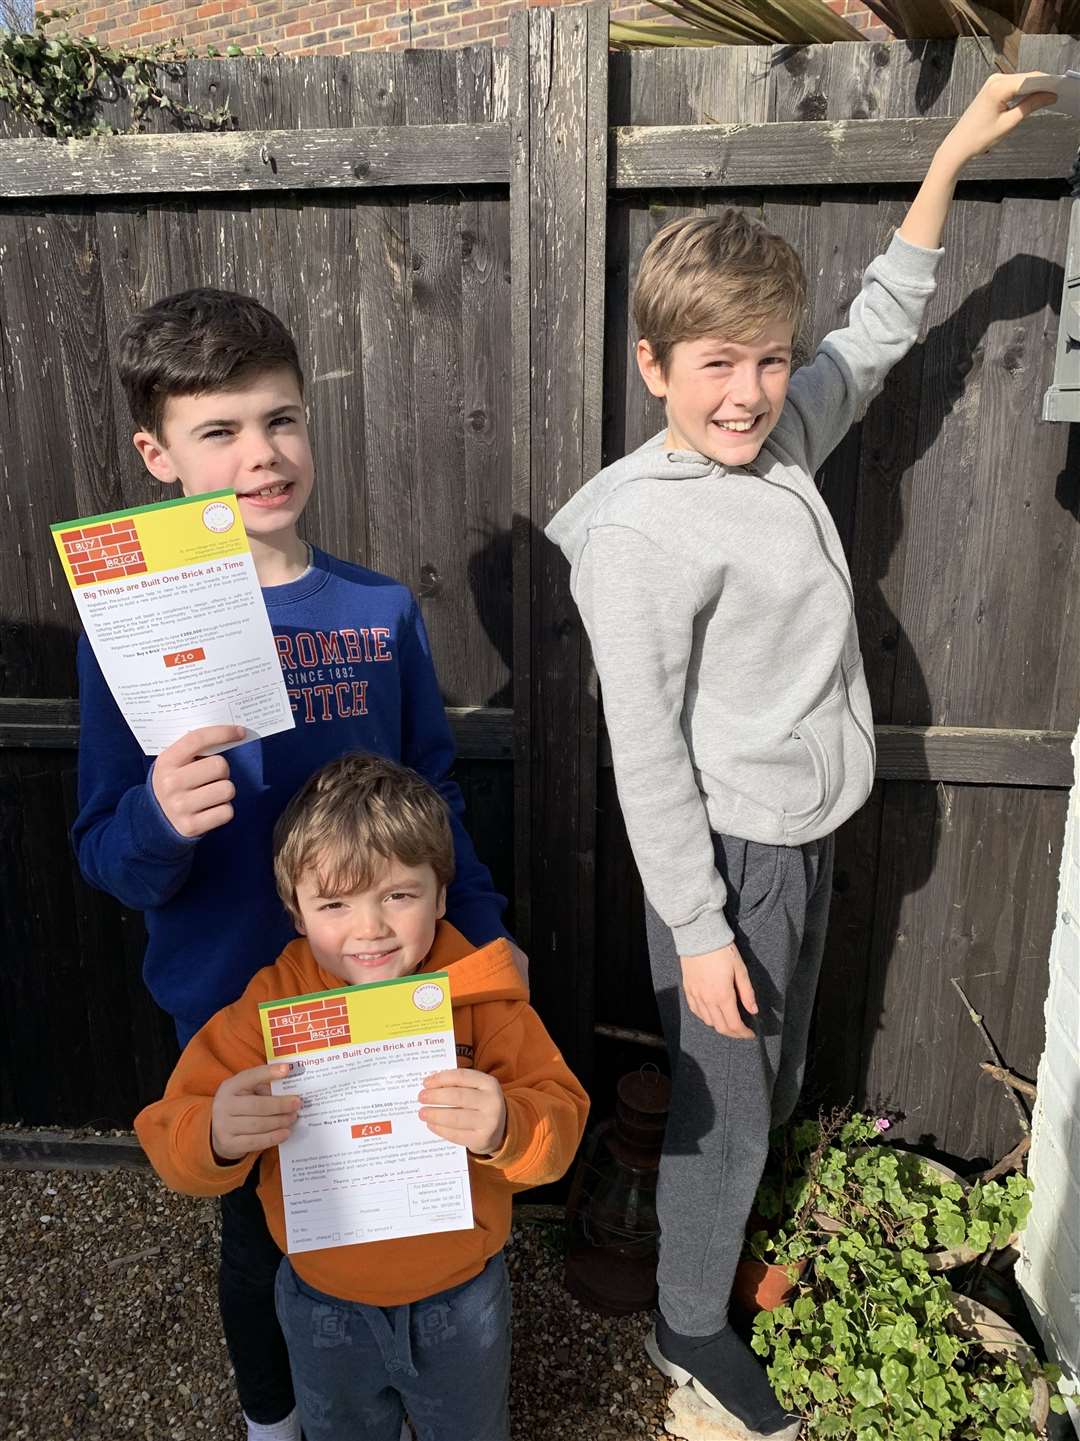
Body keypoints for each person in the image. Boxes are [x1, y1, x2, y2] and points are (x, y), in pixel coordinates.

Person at [545, 73, 1053, 1440]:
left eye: (768, 358)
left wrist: (947, 160)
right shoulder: (646, 534)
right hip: (727, 859)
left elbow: (875, 333)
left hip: (798, 841)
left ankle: (711, 1258)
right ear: (654, 366)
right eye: (718, 363)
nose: (754, 389)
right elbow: (642, 754)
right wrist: (699, 926)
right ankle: (689, 1321)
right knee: (723, 1105)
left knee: (758, 1087)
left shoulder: (778, 448)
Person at [72, 288, 520, 1441]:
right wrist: (159, 818)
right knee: (256, 1225)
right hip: (231, 997)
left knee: (391, 1190)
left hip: (385, 983)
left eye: (279, 419)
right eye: (218, 431)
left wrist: (482, 923)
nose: (260, 454)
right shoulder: (126, 635)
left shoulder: (377, 613)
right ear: (156, 453)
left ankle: (408, 1383)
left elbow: (436, 792)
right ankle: (277, 1417)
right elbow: (105, 854)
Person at [134, 753, 589, 1441]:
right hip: (323, 1302)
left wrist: (507, 1125)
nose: (369, 928)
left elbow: (562, 1115)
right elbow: (168, 1132)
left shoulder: (480, 994)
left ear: (441, 893)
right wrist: (218, 1132)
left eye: (398, 895)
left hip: (460, 1298)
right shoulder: (273, 1004)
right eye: (335, 903)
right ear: (295, 911)